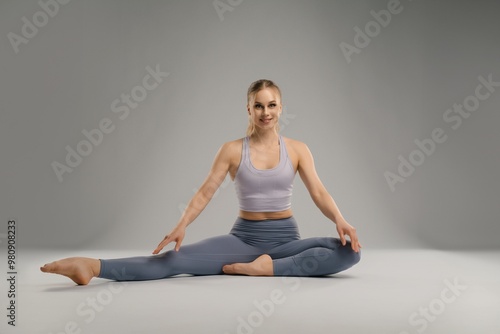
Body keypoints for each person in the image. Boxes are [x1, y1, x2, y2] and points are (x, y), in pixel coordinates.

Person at [40, 79, 361, 285]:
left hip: (286, 240)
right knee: (173, 261)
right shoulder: (233, 150)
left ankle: (266, 268)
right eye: (259, 105)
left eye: (272, 105)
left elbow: (318, 191)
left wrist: (340, 219)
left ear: (281, 108)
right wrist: (182, 226)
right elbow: (206, 191)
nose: (266, 112)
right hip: (243, 240)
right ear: (249, 109)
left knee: (349, 252)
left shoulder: (297, 149)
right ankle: (93, 267)